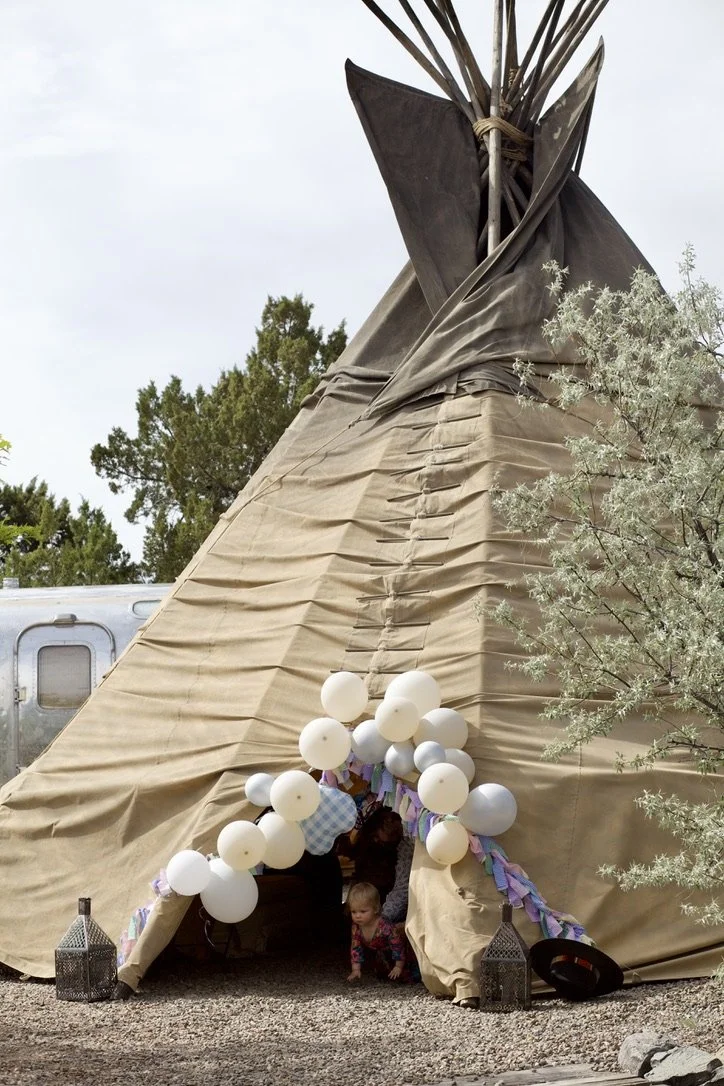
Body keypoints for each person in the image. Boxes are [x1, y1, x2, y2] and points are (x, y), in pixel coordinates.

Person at [346, 881, 417, 983]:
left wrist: (398, 966)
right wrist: (356, 969)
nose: (357, 916)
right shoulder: (356, 927)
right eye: (354, 912)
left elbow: (397, 944)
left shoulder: (384, 926)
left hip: (399, 953)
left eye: (363, 911)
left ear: (375, 909)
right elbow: (356, 948)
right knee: (384, 975)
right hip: (382, 955)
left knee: (408, 976)